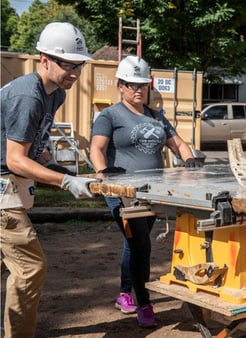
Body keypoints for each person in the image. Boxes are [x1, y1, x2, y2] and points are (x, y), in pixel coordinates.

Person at [89, 56, 204, 327]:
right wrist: (103, 174)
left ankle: (123, 293)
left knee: (135, 243)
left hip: (153, 191)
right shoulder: (110, 115)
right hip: (122, 191)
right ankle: (144, 301)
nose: (138, 90)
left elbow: (179, 144)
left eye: (143, 84)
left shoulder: (156, 116)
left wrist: (189, 162)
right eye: (131, 85)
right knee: (141, 242)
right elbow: (96, 148)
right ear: (120, 86)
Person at [0, 22, 97, 338]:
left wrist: (57, 167)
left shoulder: (54, 93)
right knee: (30, 268)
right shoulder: (28, 95)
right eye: (68, 64)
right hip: (3, 185)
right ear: (44, 60)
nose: (75, 73)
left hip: (10, 184)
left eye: (79, 65)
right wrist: (64, 182)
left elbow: (33, 143)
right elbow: (15, 158)